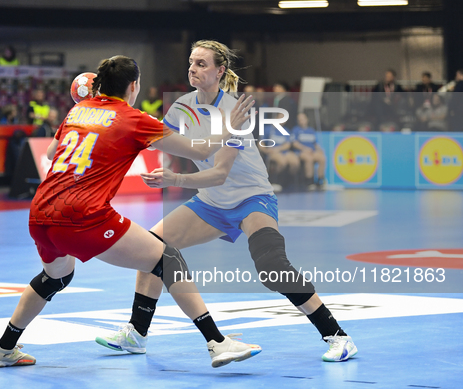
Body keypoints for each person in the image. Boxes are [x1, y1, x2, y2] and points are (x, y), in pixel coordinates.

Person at [0, 55, 261, 369]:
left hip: (41, 212)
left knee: (54, 278)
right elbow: (200, 150)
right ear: (133, 86)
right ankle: (217, 343)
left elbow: (50, 152)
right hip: (83, 215)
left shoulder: (79, 109)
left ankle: (2, 348)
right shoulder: (134, 119)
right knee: (167, 259)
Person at [95, 41, 356, 363]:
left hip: (251, 197)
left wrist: (175, 180)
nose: (193, 68)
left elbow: (219, 172)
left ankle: (338, 336)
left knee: (273, 268)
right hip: (211, 203)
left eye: (202, 64)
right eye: (191, 62)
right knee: (152, 248)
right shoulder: (181, 107)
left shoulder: (235, 111)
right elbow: (156, 140)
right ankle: (136, 333)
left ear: (220, 71)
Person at [258, 120, 300, 192]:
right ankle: (276, 181)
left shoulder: (286, 130)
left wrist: (278, 149)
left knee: (295, 162)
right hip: (272, 152)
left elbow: (288, 144)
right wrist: (266, 151)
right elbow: (260, 143)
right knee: (282, 161)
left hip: (282, 151)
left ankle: (288, 182)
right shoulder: (268, 129)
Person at [292, 113, 327, 189]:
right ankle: (309, 181)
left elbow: (315, 143)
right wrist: (305, 149)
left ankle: (320, 180)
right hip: (301, 152)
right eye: (299, 120)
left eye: (303, 119)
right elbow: (295, 143)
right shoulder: (296, 130)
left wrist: (319, 149)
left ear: (307, 119)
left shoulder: (311, 130)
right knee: (309, 159)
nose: (301, 121)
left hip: (312, 151)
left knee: (322, 158)